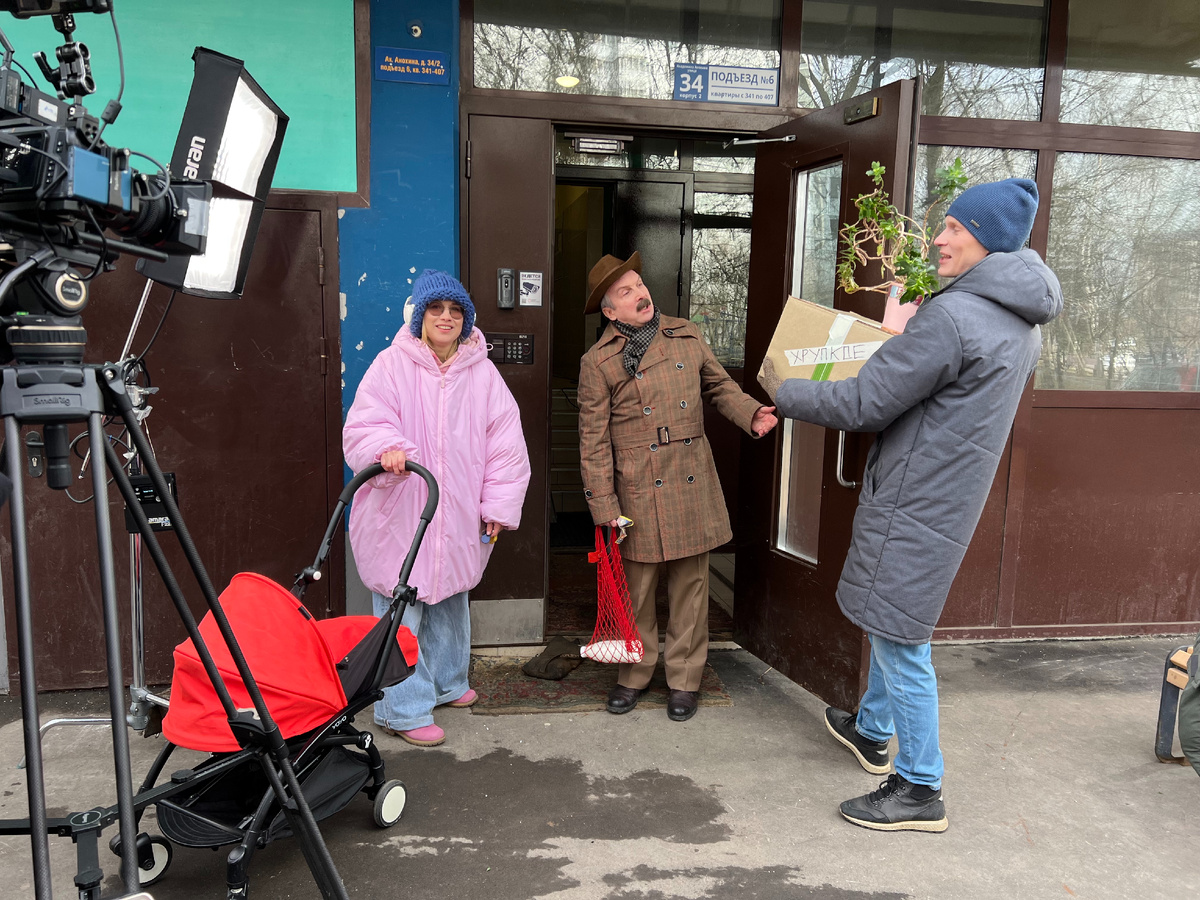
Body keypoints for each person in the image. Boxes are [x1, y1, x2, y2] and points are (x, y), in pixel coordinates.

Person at [761, 178, 1062, 831]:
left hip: (915, 497)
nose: (940, 239)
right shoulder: (1018, 322)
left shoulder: (953, 318)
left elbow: (863, 402)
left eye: (955, 228)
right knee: (892, 617)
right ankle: (872, 730)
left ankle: (921, 787)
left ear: (987, 240)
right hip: (947, 493)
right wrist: (906, 337)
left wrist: (784, 392)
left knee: (902, 640)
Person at [578, 252, 778, 722]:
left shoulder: (686, 334)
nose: (640, 293)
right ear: (609, 310)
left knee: (691, 585)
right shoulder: (597, 361)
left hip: (689, 471)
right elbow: (592, 440)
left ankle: (685, 679)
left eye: (639, 284)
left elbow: (719, 386)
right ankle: (634, 673)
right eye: (625, 291)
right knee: (637, 588)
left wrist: (751, 413)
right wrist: (603, 504)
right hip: (636, 483)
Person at [343, 269, 531, 747]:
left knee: (450, 598)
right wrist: (386, 448)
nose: (446, 317)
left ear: (466, 319)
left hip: (457, 510)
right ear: (420, 317)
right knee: (401, 607)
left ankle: (447, 683)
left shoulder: (482, 373)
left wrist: (497, 505)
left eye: (455, 311)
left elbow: (506, 445)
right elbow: (364, 424)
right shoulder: (391, 365)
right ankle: (401, 709)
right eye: (436, 309)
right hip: (401, 509)